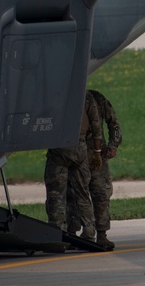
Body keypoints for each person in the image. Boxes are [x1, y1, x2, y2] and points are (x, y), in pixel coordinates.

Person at [67, 89, 122, 250]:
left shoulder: (97, 98)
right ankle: (72, 232)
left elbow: (114, 123)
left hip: (98, 156)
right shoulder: (69, 98)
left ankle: (102, 234)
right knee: (74, 194)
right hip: (77, 155)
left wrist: (113, 145)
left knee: (101, 194)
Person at [44, 92, 104, 233]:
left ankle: (57, 230)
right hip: (80, 148)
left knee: (56, 193)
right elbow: (96, 127)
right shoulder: (86, 96)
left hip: (59, 147)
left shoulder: (55, 94)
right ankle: (89, 230)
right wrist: (97, 153)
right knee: (82, 193)